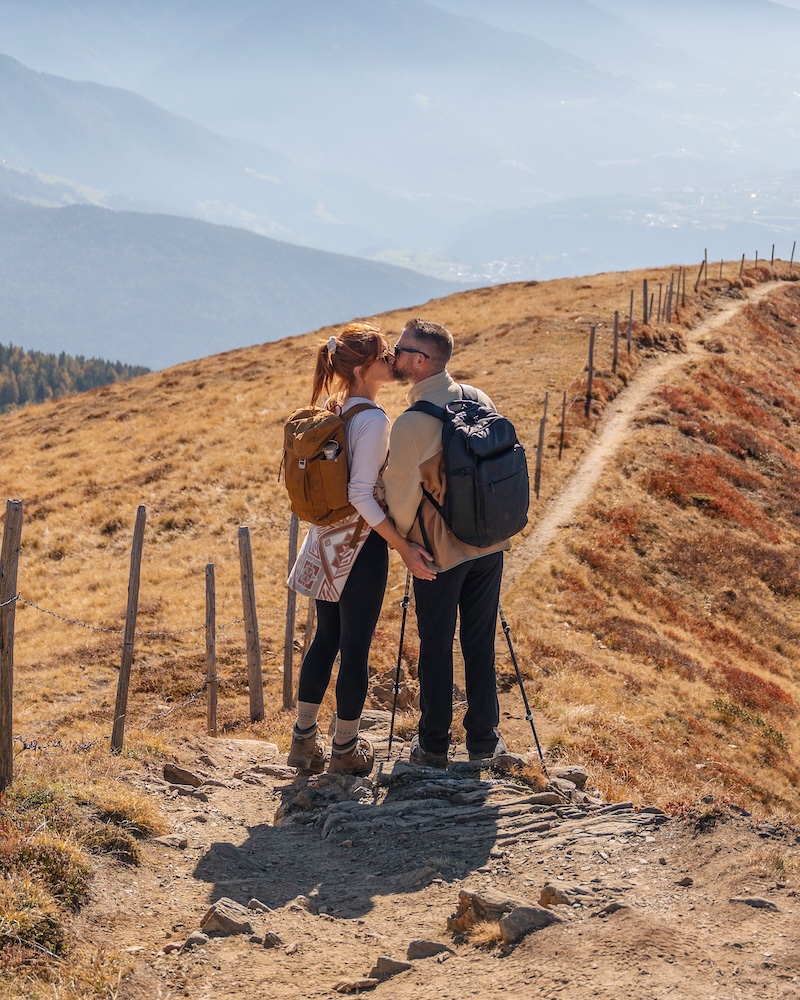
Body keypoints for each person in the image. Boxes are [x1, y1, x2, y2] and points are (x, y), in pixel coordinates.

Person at [286, 322, 435, 777]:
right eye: (385, 354)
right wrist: (404, 547)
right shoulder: (372, 420)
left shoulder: (340, 410)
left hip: (327, 541)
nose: (393, 359)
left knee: (325, 640)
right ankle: (346, 748)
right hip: (361, 546)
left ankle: (303, 741)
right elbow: (361, 494)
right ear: (364, 366)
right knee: (354, 648)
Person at [383, 318, 511, 769]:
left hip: (438, 553)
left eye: (399, 349)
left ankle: (433, 744)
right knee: (480, 642)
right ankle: (483, 741)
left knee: (436, 644)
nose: (392, 355)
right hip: (489, 545)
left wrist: (403, 546)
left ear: (419, 361)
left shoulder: (412, 424)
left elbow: (398, 499)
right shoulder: (479, 399)